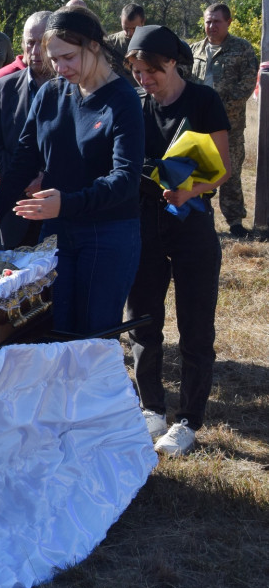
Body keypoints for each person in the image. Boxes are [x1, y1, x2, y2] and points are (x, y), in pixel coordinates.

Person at [0, 6, 144, 335]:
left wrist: (67, 203)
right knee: (54, 329)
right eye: (54, 60)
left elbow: (125, 180)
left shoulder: (123, 100)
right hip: (58, 232)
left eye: (68, 58)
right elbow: (23, 162)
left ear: (93, 46)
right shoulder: (51, 94)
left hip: (107, 233)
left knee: (93, 335)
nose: (60, 69)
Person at [124, 25, 232, 458]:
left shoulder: (204, 100)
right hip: (144, 224)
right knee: (144, 321)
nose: (143, 79)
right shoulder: (135, 105)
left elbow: (223, 166)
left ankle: (188, 419)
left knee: (195, 326)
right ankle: (151, 407)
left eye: (150, 70)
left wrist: (191, 191)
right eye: (136, 71)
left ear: (173, 63)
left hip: (192, 224)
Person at [190, 3, 259, 238]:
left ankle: (235, 222)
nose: (211, 26)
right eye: (208, 22)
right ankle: (198, 219)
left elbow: (246, 86)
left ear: (228, 22)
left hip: (229, 125)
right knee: (197, 172)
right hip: (198, 127)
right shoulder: (194, 50)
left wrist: (218, 111)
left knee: (230, 174)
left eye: (217, 22)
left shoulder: (242, 49)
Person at [0, 11, 53, 247]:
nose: (35, 52)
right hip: (14, 205)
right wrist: (24, 180)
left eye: (42, 44)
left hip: (59, 205)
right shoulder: (2, 88)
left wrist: (46, 180)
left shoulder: (74, 89)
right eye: (30, 43)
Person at [103, 3, 145, 87]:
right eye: (125, 28)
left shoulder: (152, 41)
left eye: (134, 28)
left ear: (143, 21)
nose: (129, 33)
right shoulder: (110, 43)